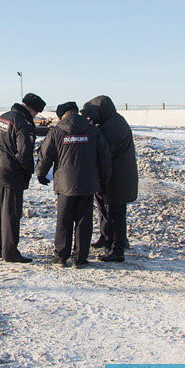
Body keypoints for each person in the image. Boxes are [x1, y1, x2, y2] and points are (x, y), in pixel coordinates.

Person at [36, 102, 111, 268]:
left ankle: (61, 257)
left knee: (64, 219)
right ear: (76, 113)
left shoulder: (56, 132)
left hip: (64, 184)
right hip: (88, 183)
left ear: (62, 115)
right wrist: (104, 181)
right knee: (84, 221)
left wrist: (40, 174)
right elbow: (104, 158)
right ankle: (80, 258)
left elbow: (45, 155)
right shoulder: (93, 131)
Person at [0, 92, 46, 264]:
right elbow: (24, 153)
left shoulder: (2, 118)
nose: (35, 116)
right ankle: (10, 252)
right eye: (36, 113)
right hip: (11, 174)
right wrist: (30, 171)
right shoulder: (24, 124)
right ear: (31, 109)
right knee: (11, 214)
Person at [82, 96, 138, 262]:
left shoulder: (111, 127)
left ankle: (117, 249)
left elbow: (104, 154)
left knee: (116, 213)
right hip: (116, 175)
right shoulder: (113, 121)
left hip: (116, 178)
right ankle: (107, 238)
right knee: (108, 210)